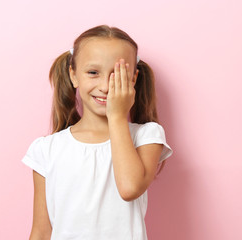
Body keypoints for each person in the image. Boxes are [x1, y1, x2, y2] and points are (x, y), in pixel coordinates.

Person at [21, 25, 173, 240]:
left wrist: (118, 117)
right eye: (93, 73)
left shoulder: (147, 136)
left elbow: (129, 188)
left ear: (133, 79)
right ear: (73, 76)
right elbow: (41, 232)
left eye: (117, 75)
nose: (105, 86)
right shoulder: (46, 149)